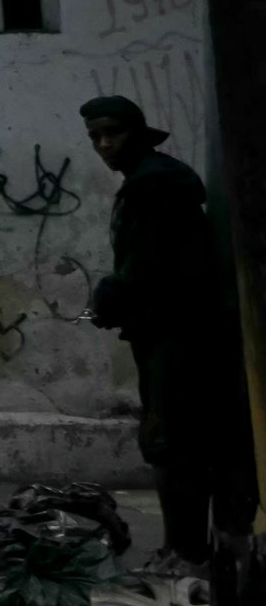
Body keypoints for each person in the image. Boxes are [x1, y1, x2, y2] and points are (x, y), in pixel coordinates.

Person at [83, 94, 259, 565]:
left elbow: (148, 268)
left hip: (179, 335)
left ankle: (185, 553)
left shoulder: (154, 187)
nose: (103, 145)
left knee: (173, 442)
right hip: (174, 330)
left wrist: (106, 296)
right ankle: (191, 548)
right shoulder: (154, 181)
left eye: (112, 133)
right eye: (95, 137)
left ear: (137, 132)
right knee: (183, 440)